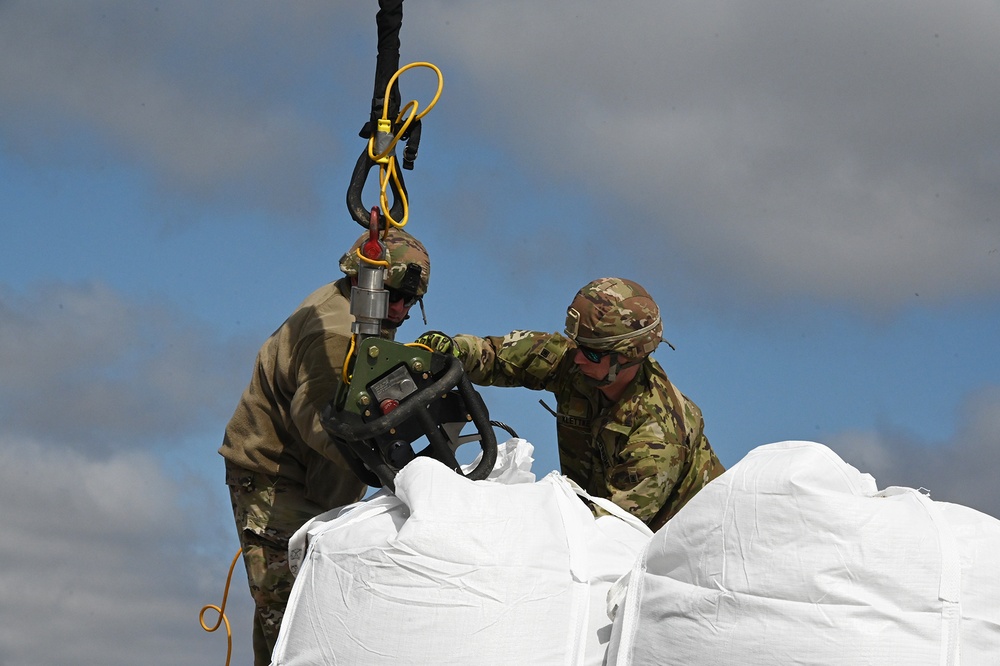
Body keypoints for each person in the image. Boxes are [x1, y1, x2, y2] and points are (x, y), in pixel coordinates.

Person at [219, 227, 430, 666]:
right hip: (275, 478)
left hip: (317, 477)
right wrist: (394, 469)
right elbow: (318, 419)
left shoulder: (362, 313)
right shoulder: (335, 332)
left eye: (410, 302)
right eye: (393, 296)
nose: (400, 310)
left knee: (285, 614)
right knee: (295, 621)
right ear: (362, 281)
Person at [416, 277, 723, 531]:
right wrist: (454, 350)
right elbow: (498, 356)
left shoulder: (657, 434)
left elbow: (613, 528)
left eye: (591, 353)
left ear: (628, 357)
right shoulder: (577, 365)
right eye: (579, 345)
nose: (577, 357)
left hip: (683, 555)